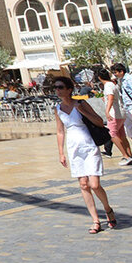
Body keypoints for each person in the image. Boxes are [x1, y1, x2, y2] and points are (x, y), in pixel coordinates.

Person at [52, 75, 116, 234]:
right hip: (74, 148)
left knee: (94, 184)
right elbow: (60, 131)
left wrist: (83, 112)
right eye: (56, 87)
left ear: (69, 89)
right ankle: (95, 220)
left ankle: (108, 209)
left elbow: (100, 122)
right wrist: (61, 152)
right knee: (83, 184)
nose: (57, 90)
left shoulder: (81, 103)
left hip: (89, 145)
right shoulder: (58, 109)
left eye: (60, 87)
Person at [97, 67, 132, 166]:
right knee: (121, 134)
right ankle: (129, 155)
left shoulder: (108, 86)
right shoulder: (113, 85)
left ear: (99, 77)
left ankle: (125, 156)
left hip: (114, 113)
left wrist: (107, 111)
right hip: (120, 113)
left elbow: (111, 98)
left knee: (111, 134)